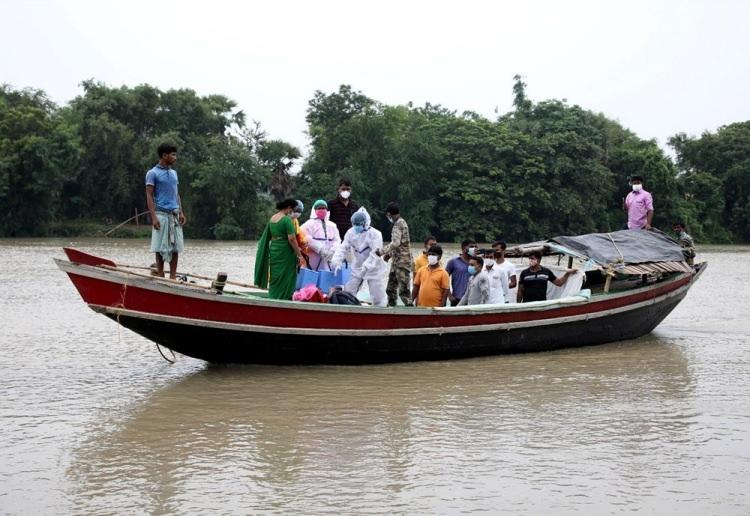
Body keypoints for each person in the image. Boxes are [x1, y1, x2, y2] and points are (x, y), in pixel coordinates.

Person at [146, 143, 187, 279]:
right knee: (160, 247)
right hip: (161, 214)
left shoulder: (174, 173)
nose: (175, 157)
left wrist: (181, 212)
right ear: (164, 156)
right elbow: (149, 195)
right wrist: (154, 217)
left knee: (175, 247)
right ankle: (161, 275)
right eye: (173, 155)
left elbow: (176, 194)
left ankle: (173, 277)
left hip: (174, 214)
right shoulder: (152, 173)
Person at [331, 208, 387, 307]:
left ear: (365, 223)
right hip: (357, 266)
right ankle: (349, 310)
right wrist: (336, 261)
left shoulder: (375, 234)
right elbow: (343, 247)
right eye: (355, 224)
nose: (356, 227)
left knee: (378, 295)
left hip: (374, 268)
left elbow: (375, 253)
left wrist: (367, 266)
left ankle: (381, 311)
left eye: (358, 224)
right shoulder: (351, 233)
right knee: (349, 291)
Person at [254, 199, 304, 300]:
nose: (293, 211)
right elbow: (292, 239)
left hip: (275, 250)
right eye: (293, 209)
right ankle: (284, 298)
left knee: (275, 275)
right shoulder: (286, 220)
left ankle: (273, 296)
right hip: (286, 252)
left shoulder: (272, 218)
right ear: (289, 207)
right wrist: (299, 254)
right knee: (287, 276)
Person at [379, 202, 412, 307]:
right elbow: (401, 244)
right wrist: (390, 254)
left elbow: (396, 243)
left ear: (389, 214)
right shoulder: (402, 223)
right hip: (397, 262)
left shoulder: (398, 225)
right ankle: (391, 308)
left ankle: (411, 312)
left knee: (404, 292)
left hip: (402, 262)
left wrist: (382, 251)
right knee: (390, 289)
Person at [300, 199, 341, 271]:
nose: (322, 210)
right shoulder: (308, 224)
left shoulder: (332, 225)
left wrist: (333, 250)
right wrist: (320, 249)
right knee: (311, 278)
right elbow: (306, 238)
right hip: (312, 258)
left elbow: (337, 239)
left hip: (328, 259)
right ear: (314, 210)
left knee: (326, 277)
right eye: (319, 208)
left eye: (324, 208)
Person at [445, 239, 477, 306]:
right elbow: (444, 279)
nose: (474, 249)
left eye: (475, 247)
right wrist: (450, 296)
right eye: (471, 247)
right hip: (457, 299)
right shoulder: (453, 262)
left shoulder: (476, 263)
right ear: (464, 248)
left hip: (472, 299)